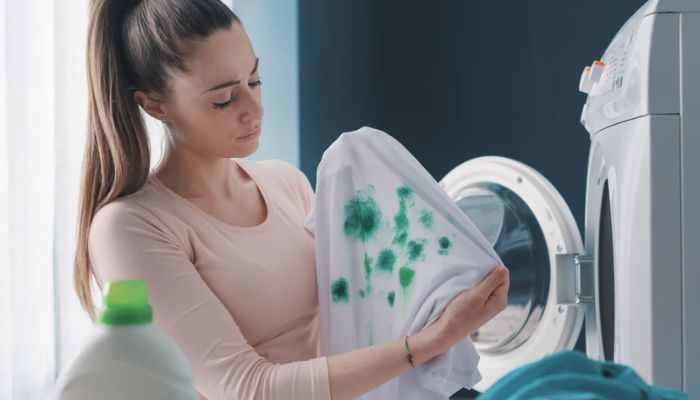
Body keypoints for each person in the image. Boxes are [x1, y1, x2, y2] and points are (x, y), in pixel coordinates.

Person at [73, 1, 511, 399]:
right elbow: (245, 389)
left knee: (560, 375)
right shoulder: (131, 226)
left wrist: (443, 299)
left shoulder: (286, 183)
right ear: (153, 105)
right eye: (225, 99)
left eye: (255, 80)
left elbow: (359, 314)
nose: (254, 109)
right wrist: (432, 341)